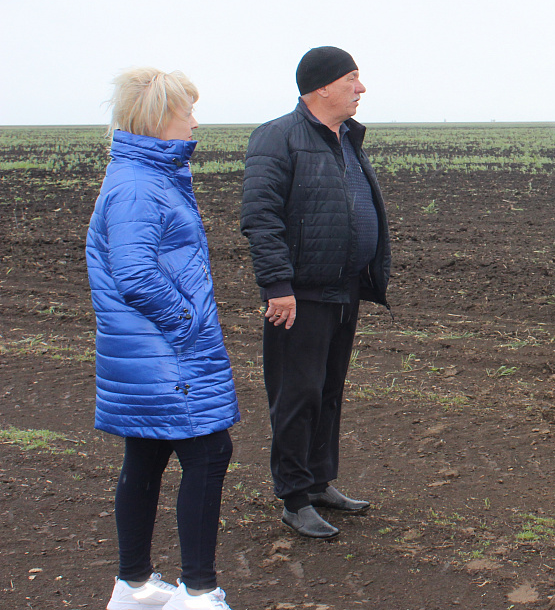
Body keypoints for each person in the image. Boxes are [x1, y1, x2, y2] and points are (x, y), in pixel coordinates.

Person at [87, 68, 239, 610]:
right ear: (159, 118)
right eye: (188, 111)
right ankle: (198, 592)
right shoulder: (137, 185)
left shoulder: (143, 176)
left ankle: (134, 587)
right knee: (208, 452)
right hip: (164, 352)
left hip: (149, 351)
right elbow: (134, 273)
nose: (196, 121)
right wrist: (186, 323)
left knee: (147, 453)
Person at [240, 46, 390, 539]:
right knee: (295, 394)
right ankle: (294, 496)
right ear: (323, 86)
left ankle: (320, 481)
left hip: (343, 290)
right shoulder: (277, 137)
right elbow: (261, 218)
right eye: (353, 78)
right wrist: (277, 286)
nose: (361, 88)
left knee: (327, 391)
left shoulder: (347, 138)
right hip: (298, 296)